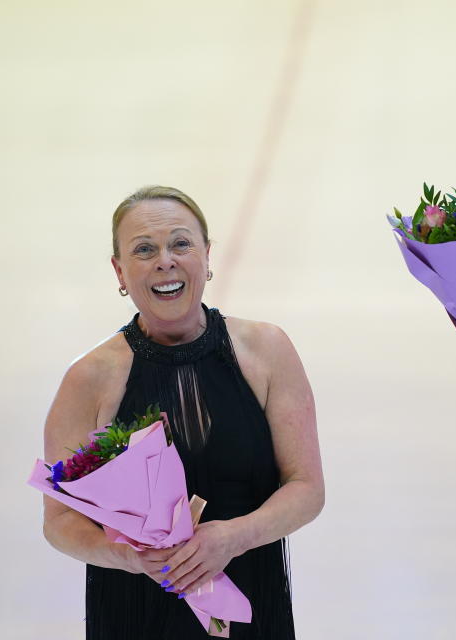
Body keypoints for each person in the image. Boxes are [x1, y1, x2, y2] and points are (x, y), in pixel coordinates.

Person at [40, 185, 324, 639]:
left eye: (181, 243)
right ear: (119, 270)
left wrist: (234, 537)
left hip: (249, 599)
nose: (165, 261)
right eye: (144, 249)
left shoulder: (267, 351)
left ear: (207, 257)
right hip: (135, 610)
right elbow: (59, 521)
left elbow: (307, 488)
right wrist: (126, 556)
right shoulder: (88, 379)